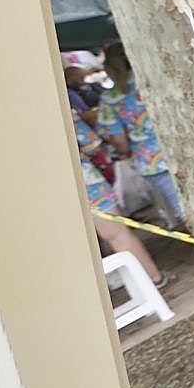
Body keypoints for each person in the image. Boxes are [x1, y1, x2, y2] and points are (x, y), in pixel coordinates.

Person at [75, 101, 169, 288]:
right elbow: (92, 144)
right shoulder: (55, 111)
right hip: (86, 183)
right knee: (117, 234)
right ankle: (153, 279)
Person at [96, 43, 184, 228]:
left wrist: (125, 151)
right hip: (183, 149)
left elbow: (119, 141)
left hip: (152, 161)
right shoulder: (158, 81)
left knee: (184, 210)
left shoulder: (111, 98)